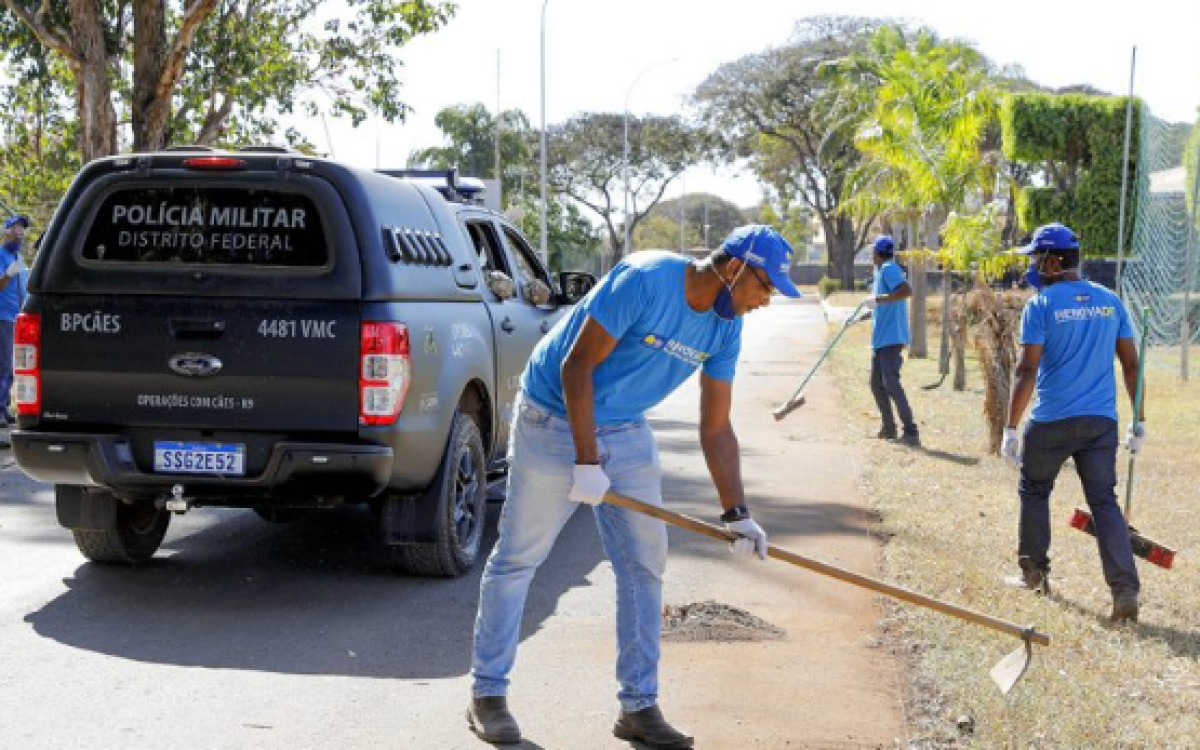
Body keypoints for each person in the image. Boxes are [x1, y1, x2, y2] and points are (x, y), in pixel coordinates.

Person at [467, 225, 801, 748]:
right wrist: (584, 462)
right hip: (552, 414)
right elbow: (577, 367)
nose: (767, 299)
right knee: (518, 558)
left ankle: (639, 707)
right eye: (766, 286)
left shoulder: (725, 329)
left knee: (644, 565)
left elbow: (716, 428)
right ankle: (487, 694)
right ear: (734, 268)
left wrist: (736, 511)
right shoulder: (645, 279)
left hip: (624, 427)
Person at [1001, 222, 1143, 623]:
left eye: (1036, 257)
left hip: (1051, 422)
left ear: (1053, 261)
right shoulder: (1110, 301)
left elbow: (1026, 370)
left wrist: (1011, 428)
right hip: (1100, 423)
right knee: (1104, 501)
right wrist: (1139, 420)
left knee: (1034, 489)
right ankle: (1125, 589)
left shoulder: (1041, 306)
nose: (1032, 265)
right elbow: (1131, 364)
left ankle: (1034, 573)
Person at [863, 235, 919, 446]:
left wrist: (876, 299)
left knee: (890, 383)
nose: (871, 256)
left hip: (891, 338)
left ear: (877, 253)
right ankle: (889, 428)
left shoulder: (888, 268)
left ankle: (911, 432)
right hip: (882, 339)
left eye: (872, 252)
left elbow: (906, 291)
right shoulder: (882, 273)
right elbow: (885, 304)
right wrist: (862, 316)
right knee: (877, 384)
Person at [0, 215, 30, 430]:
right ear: (6, 231)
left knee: (11, 367)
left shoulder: (20, 257)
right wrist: (9, 273)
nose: (19, 232)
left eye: (22, 228)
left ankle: (4, 407)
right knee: (3, 366)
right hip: (3, 317)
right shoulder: (1, 255)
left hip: (17, 318)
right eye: (15, 228)